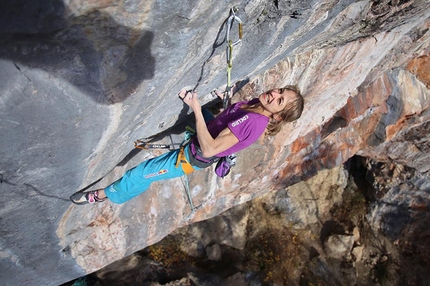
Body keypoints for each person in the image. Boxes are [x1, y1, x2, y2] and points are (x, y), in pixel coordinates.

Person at [71, 85, 304, 205]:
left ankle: (103, 196)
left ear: (278, 117)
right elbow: (229, 119)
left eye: (280, 100)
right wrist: (227, 99)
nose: (274, 93)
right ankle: (128, 188)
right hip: (206, 136)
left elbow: (210, 149)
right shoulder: (256, 104)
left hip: (192, 156)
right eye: (280, 90)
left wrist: (195, 106)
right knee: (145, 177)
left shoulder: (254, 123)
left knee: (139, 173)